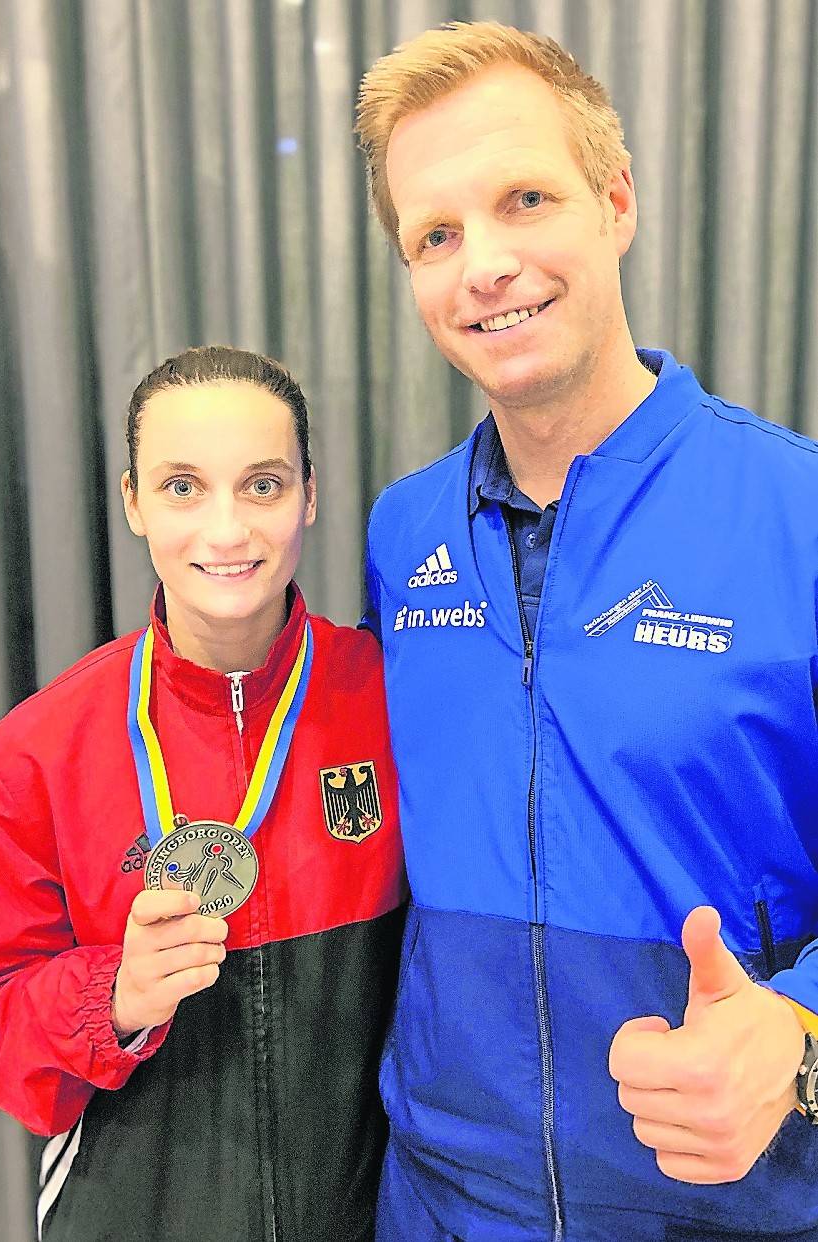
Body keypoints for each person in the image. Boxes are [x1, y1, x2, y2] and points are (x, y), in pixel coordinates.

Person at [355, 20, 818, 1242]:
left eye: (525, 199)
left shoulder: (798, 514)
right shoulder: (402, 532)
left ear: (615, 203)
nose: (485, 265)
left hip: (732, 1211)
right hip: (442, 1208)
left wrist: (798, 1033)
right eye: (436, 235)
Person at [0, 346, 406, 1242]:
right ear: (133, 501)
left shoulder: (390, 699)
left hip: (367, 1216)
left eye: (262, 485)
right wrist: (115, 997)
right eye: (183, 487)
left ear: (309, 496)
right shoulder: (38, 750)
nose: (226, 531)